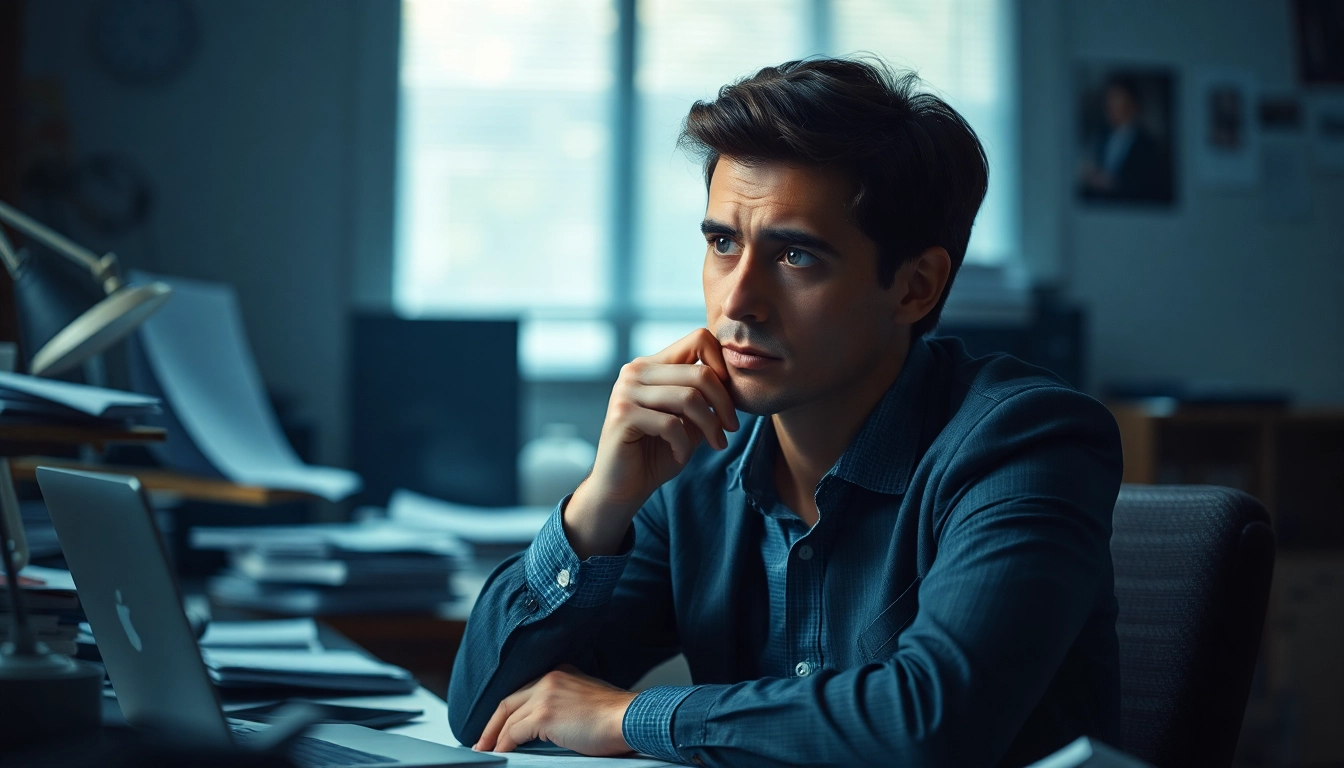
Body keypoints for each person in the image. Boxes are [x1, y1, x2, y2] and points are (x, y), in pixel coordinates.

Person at [449, 58, 1123, 767]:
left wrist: (633, 718)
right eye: (722, 243)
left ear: (916, 287)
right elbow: (485, 710)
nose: (737, 301)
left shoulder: (1027, 441)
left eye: (796, 255)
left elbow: (931, 723)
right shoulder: (693, 461)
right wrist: (601, 502)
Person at [1079, 75, 1169, 202]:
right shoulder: (1102, 138)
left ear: (1131, 103)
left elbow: (1148, 187)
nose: (1110, 106)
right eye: (1109, 100)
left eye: (1116, 99)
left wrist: (1112, 184)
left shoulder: (1147, 144)